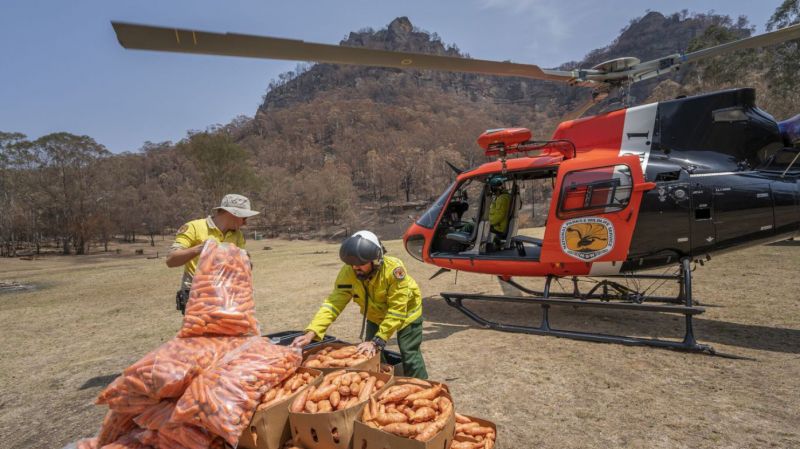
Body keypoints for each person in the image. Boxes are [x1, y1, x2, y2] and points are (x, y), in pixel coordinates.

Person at [291, 230, 428, 379]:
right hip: (375, 315)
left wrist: (378, 341)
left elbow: (397, 310)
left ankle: (421, 384)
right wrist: (312, 331)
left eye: (361, 264)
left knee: (409, 352)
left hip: (406, 313)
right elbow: (333, 303)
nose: (356, 268)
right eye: (352, 264)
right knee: (369, 353)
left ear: (376, 260)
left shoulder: (394, 271)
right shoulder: (349, 272)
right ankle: (385, 380)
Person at [166, 194, 260, 314]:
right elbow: (171, 260)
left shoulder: (237, 235)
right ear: (234, 213)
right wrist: (199, 249)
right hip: (198, 299)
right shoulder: (194, 228)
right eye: (244, 218)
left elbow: (242, 269)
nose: (245, 223)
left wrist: (245, 261)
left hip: (228, 298)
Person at [488, 176, 511, 242]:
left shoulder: (502, 199)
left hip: (499, 228)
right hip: (503, 226)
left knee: (471, 226)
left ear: (494, 189)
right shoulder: (507, 196)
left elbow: (499, 216)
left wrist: (489, 222)